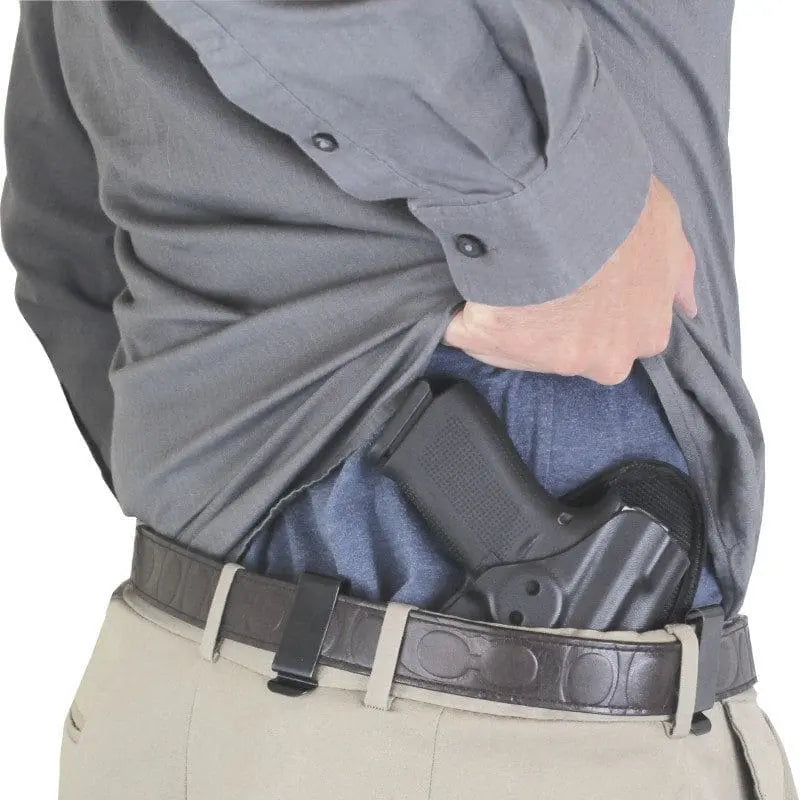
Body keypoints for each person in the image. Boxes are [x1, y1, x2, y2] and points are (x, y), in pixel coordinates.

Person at [2, 1, 794, 797]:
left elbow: (62, 230)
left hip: (226, 686)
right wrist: (565, 216)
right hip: (470, 725)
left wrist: (217, 468)